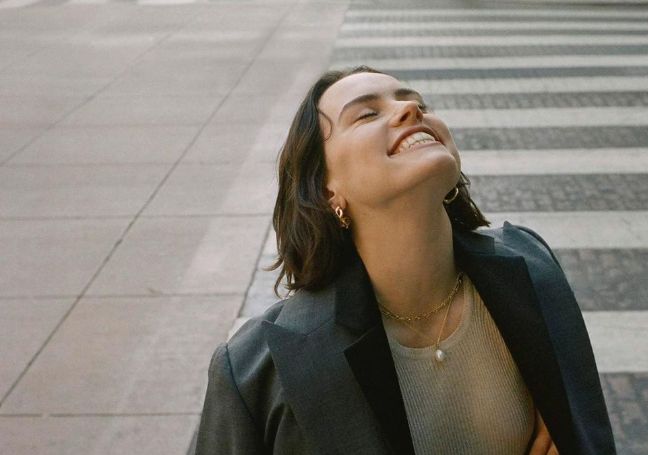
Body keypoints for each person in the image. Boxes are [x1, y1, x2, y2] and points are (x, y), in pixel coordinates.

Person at [195, 66, 616, 455]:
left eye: (417, 103)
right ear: (326, 190)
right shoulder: (256, 370)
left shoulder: (531, 265)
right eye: (366, 114)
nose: (410, 110)